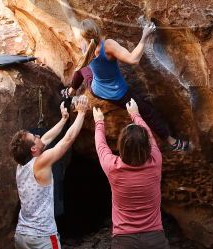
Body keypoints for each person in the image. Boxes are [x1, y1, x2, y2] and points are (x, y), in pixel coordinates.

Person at [93, 99, 192, 249]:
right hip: (154, 240)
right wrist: (136, 115)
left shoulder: (113, 167)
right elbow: (152, 139)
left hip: (124, 242)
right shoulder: (155, 161)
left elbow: (101, 146)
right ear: (147, 147)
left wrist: (99, 122)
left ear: (121, 146)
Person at [0, 96, 89, 249]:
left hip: (22, 235)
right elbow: (66, 142)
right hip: (43, 237)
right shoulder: (41, 163)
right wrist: (82, 113)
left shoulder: (22, 164)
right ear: (34, 150)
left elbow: (47, 137)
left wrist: (64, 119)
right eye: (34, 138)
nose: (38, 136)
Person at [75, 19, 191, 151]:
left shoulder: (84, 46)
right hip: (118, 93)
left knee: (82, 69)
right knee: (148, 112)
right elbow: (133, 59)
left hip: (96, 89)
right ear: (97, 30)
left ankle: (71, 89)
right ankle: (171, 142)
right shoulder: (107, 45)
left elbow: (72, 20)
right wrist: (144, 35)